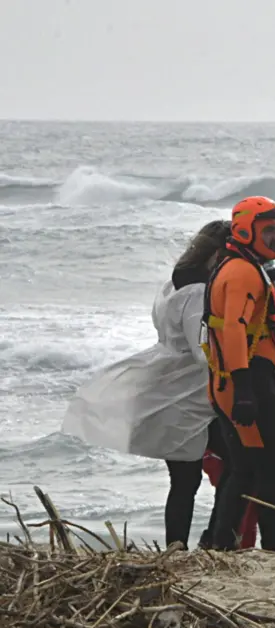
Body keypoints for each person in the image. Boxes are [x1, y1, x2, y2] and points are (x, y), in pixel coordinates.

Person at [61, 220, 228, 548]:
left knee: (185, 479)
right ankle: (208, 541)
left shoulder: (172, 284)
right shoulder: (197, 291)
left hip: (168, 385)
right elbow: (200, 351)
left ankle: (181, 546)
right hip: (189, 395)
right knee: (224, 469)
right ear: (219, 253)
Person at [201, 196, 275, 552]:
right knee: (268, 473)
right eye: (269, 230)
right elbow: (235, 330)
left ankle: (221, 544)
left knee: (246, 470)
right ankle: (273, 553)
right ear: (243, 229)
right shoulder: (241, 272)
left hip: (246, 380)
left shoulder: (244, 267)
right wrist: (246, 390)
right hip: (243, 381)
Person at [201, 276, 275, 549]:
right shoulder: (223, 326)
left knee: (260, 484)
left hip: (264, 414)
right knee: (234, 482)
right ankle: (230, 547)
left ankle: (258, 551)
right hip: (223, 419)